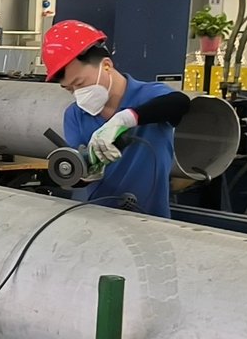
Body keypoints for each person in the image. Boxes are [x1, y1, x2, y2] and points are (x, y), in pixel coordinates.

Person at [43, 18, 193, 219]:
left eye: (79, 83)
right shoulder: (75, 114)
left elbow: (180, 103)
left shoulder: (149, 96)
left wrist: (125, 119)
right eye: (69, 89)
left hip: (152, 220)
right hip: (100, 220)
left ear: (106, 66)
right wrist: (87, 169)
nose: (77, 93)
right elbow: (76, 173)